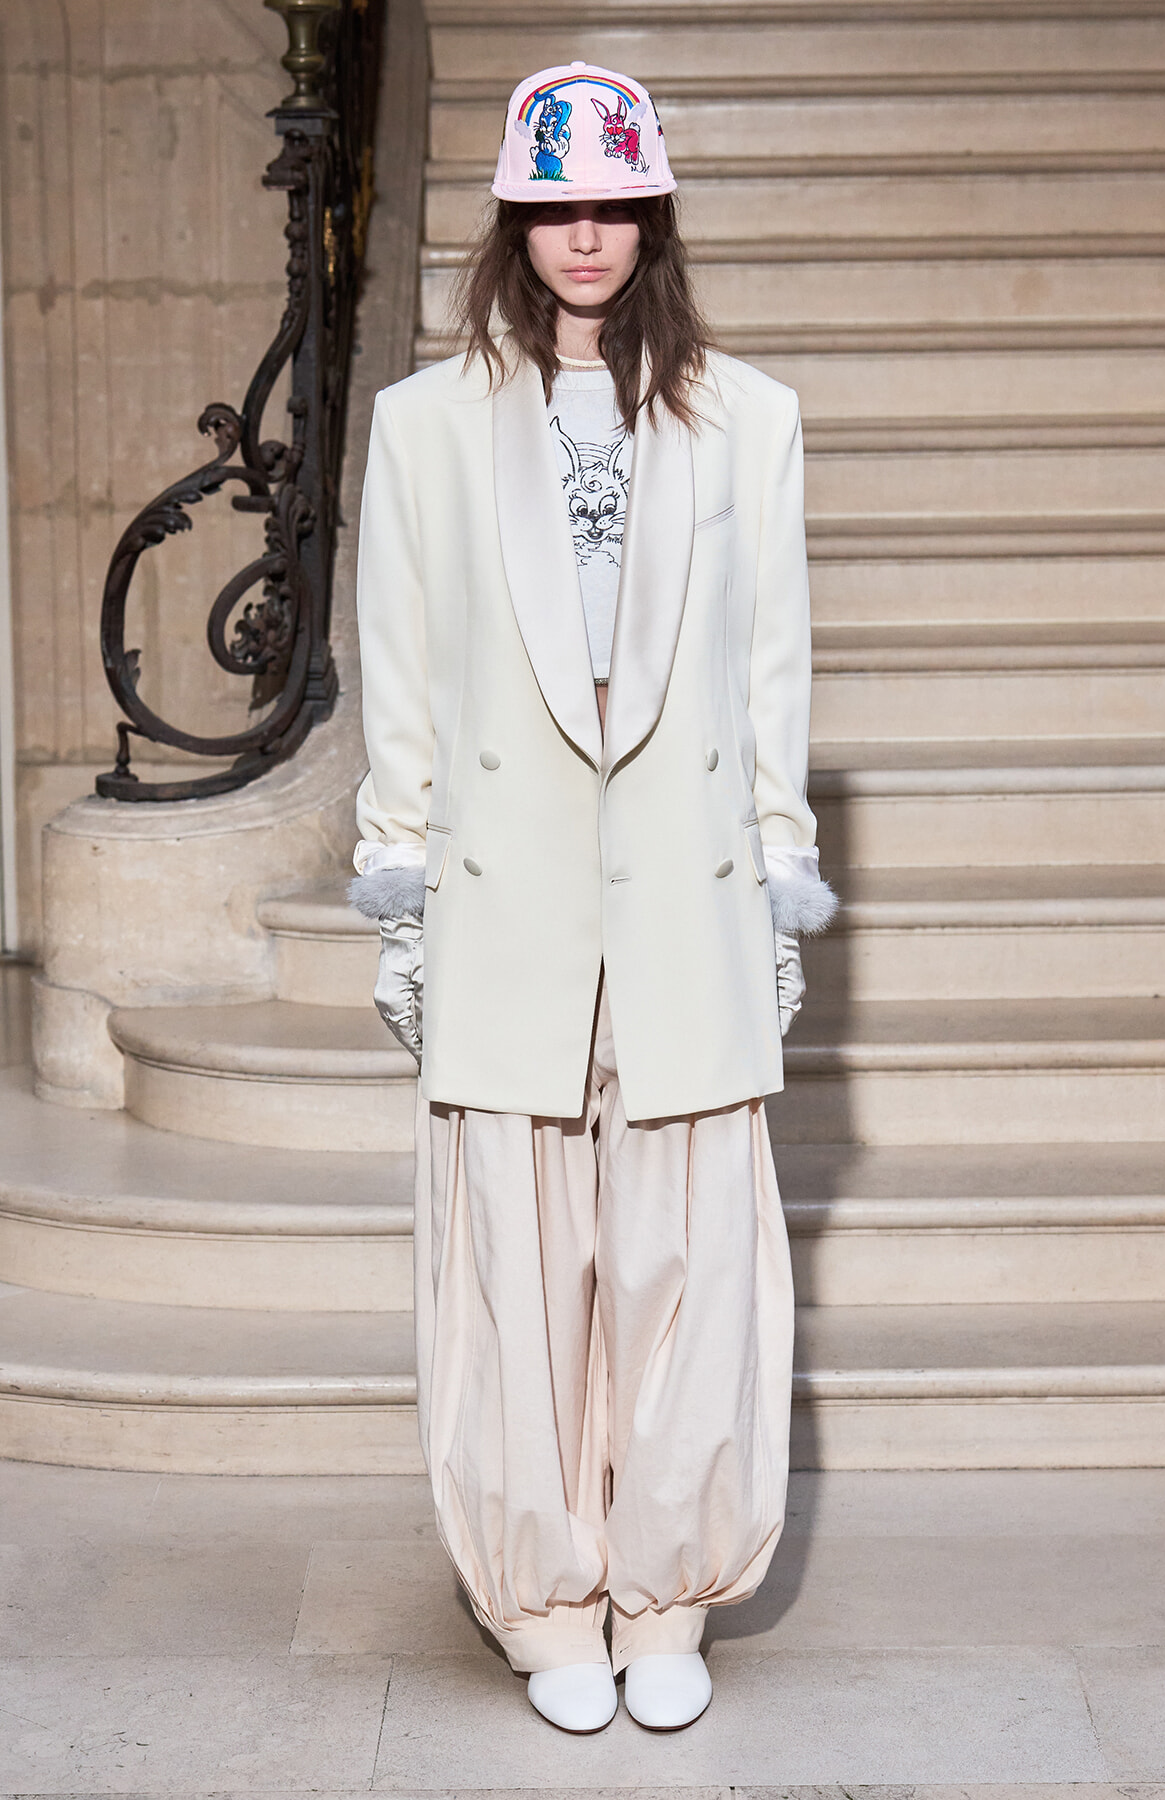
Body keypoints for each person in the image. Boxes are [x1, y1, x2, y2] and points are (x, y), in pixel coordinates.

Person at [349, 60, 837, 1735]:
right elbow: (398, 679)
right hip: (506, 904)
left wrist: (780, 880)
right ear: (510, 216)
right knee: (516, 1264)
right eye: (553, 204)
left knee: (684, 1262)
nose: (583, 235)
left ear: (654, 216)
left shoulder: (748, 421)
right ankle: (548, 1599)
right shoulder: (421, 430)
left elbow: (774, 678)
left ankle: (666, 1591)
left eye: (612, 201)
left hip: (688, 906)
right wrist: (399, 886)